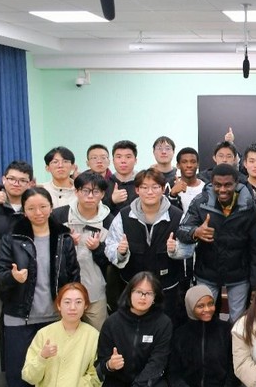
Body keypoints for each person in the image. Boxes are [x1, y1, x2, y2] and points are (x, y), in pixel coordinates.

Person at [0, 187, 80, 387]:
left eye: (43, 207)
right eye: (31, 208)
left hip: (54, 318)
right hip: (20, 317)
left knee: (54, 372)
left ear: (51, 207)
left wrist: (71, 310)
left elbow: (73, 276)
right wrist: (13, 277)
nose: (38, 212)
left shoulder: (63, 237)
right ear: (24, 210)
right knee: (19, 372)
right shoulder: (12, 238)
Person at [177, 163, 256, 323]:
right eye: (218, 185)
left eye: (228, 185)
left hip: (239, 274)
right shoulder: (200, 202)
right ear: (211, 183)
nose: (222, 189)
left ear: (236, 183)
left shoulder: (249, 207)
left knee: (238, 322)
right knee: (204, 318)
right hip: (207, 272)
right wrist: (195, 232)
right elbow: (182, 229)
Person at [104, 168, 187, 328]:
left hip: (167, 289)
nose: (150, 192)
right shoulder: (123, 215)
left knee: (166, 329)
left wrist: (176, 249)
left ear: (163, 189)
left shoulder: (178, 216)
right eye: (144, 187)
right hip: (133, 288)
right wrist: (120, 252)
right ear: (137, 190)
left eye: (155, 187)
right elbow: (110, 246)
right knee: (134, 330)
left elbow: (189, 248)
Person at [96, 272, 172, 387]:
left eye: (148, 293)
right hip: (119, 379)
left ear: (155, 297)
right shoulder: (112, 322)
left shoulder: (163, 323)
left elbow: (157, 363)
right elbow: (100, 362)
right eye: (138, 292)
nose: (143, 297)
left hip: (148, 383)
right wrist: (109, 365)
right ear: (129, 292)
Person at [168, 285, 238, 387]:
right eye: (200, 306)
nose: (207, 309)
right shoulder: (180, 335)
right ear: (190, 307)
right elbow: (173, 373)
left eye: (210, 304)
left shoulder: (226, 330)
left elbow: (233, 371)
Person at [51, 170, 113, 330]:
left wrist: (98, 248)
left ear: (103, 194)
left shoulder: (109, 220)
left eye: (96, 191)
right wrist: (67, 244)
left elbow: (111, 261)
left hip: (95, 290)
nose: (90, 196)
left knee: (98, 334)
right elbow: (48, 250)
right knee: (65, 333)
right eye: (85, 190)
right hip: (63, 288)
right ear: (76, 191)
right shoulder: (59, 215)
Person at [0, 160, 35, 241]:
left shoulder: (35, 206)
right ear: (3, 180)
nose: (16, 184)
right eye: (11, 179)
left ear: (29, 184)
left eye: (22, 180)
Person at [103, 140, 139, 212]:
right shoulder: (105, 184)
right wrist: (112, 201)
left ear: (135, 161)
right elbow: (96, 211)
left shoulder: (142, 183)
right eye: (119, 157)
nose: (123, 161)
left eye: (128, 157)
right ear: (113, 161)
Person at [167, 146, 204, 213]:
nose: (189, 165)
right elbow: (165, 213)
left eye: (193, 162)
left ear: (198, 164)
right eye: (184, 162)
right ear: (178, 165)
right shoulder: (170, 186)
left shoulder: (207, 187)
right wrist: (172, 195)